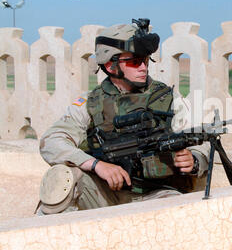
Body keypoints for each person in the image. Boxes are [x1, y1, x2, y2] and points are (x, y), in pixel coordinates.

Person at [35, 18, 210, 215]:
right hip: (106, 194)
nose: (143, 67)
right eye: (135, 62)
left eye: (145, 60)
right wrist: (97, 165)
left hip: (158, 194)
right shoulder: (91, 103)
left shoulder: (170, 99)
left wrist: (194, 160)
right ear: (111, 66)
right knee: (62, 179)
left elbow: (200, 139)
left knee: (174, 212)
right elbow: (51, 141)